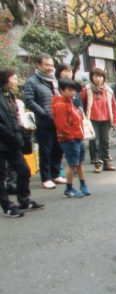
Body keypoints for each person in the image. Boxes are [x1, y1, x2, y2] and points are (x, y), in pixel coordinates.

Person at [0, 68, 44, 217]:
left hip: (12, 141)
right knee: (1, 177)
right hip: (3, 141)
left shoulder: (9, 95)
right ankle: (7, 206)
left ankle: (24, 200)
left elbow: (14, 117)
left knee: (24, 170)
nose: (16, 80)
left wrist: (19, 133)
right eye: (13, 77)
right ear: (5, 79)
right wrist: (12, 135)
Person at [23, 54, 66, 189]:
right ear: (39, 65)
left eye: (52, 65)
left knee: (58, 149)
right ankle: (46, 177)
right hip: (44, 122)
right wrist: (43, 113)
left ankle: (56, 174)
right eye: (47, 65)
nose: (50, 68)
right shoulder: (32, 82)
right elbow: (28, 100)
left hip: (59, 120)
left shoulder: (55, 80)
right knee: (46, 150)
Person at [52, 79, 90, 198]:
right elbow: (61, 126)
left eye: (73, 90)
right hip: (70, 139)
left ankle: (82, 185)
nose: (72, 92)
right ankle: (69, 189)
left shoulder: (70, 102)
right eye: (69, 90)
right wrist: (71, 138)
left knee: (78, 163)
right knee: (72, 164)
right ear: (61, 90)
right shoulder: (60, 105)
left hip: (77, 137)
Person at [80, 67, 116, 173]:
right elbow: (80, 104)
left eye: (101, 76)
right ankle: (97, 162)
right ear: (92, 77)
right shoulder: (86, 89)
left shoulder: (108, 90)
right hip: (92, 119)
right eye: (96, 76)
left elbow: (114, 105)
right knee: (95, 141)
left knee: (105, 141)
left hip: (106, 119)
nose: (99, 79)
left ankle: (106, 162)